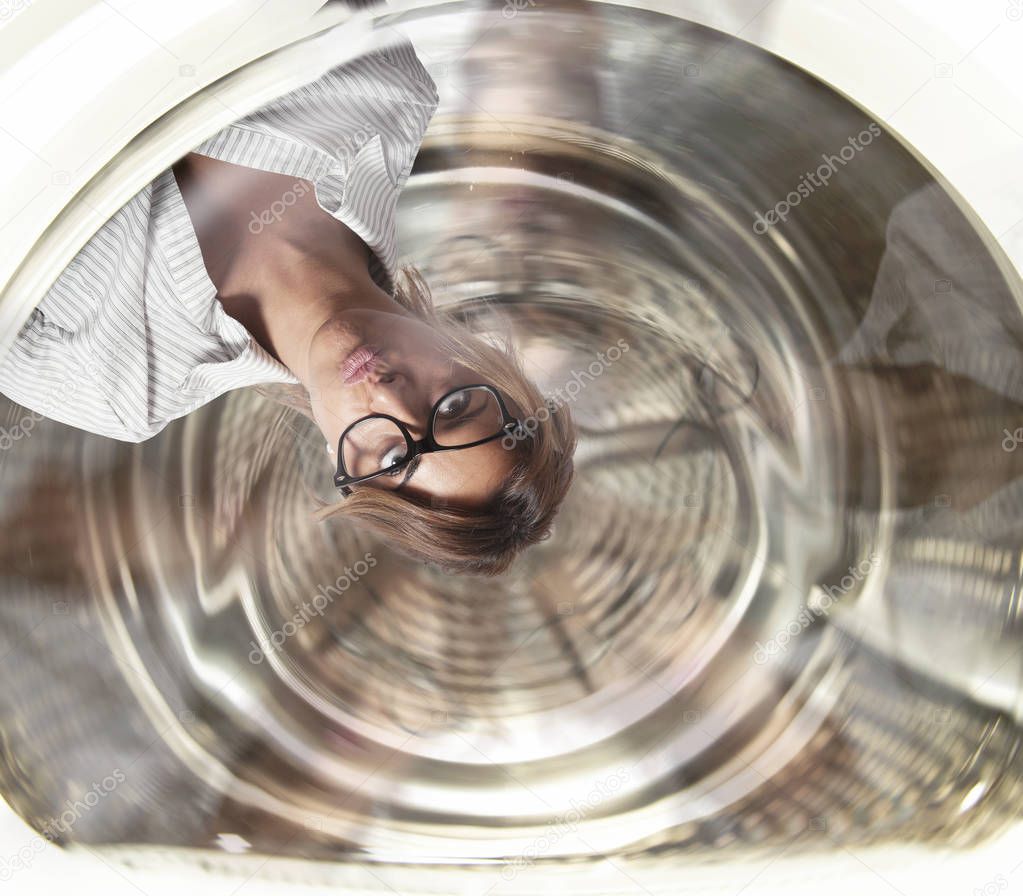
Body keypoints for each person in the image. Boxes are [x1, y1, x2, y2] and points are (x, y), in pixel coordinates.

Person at [0, 35, 576, 576]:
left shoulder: (116, 386)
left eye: (393, 459)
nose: (390, 393)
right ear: (478, 355)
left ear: (342, 468)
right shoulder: (386, 95)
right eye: (453, 410)